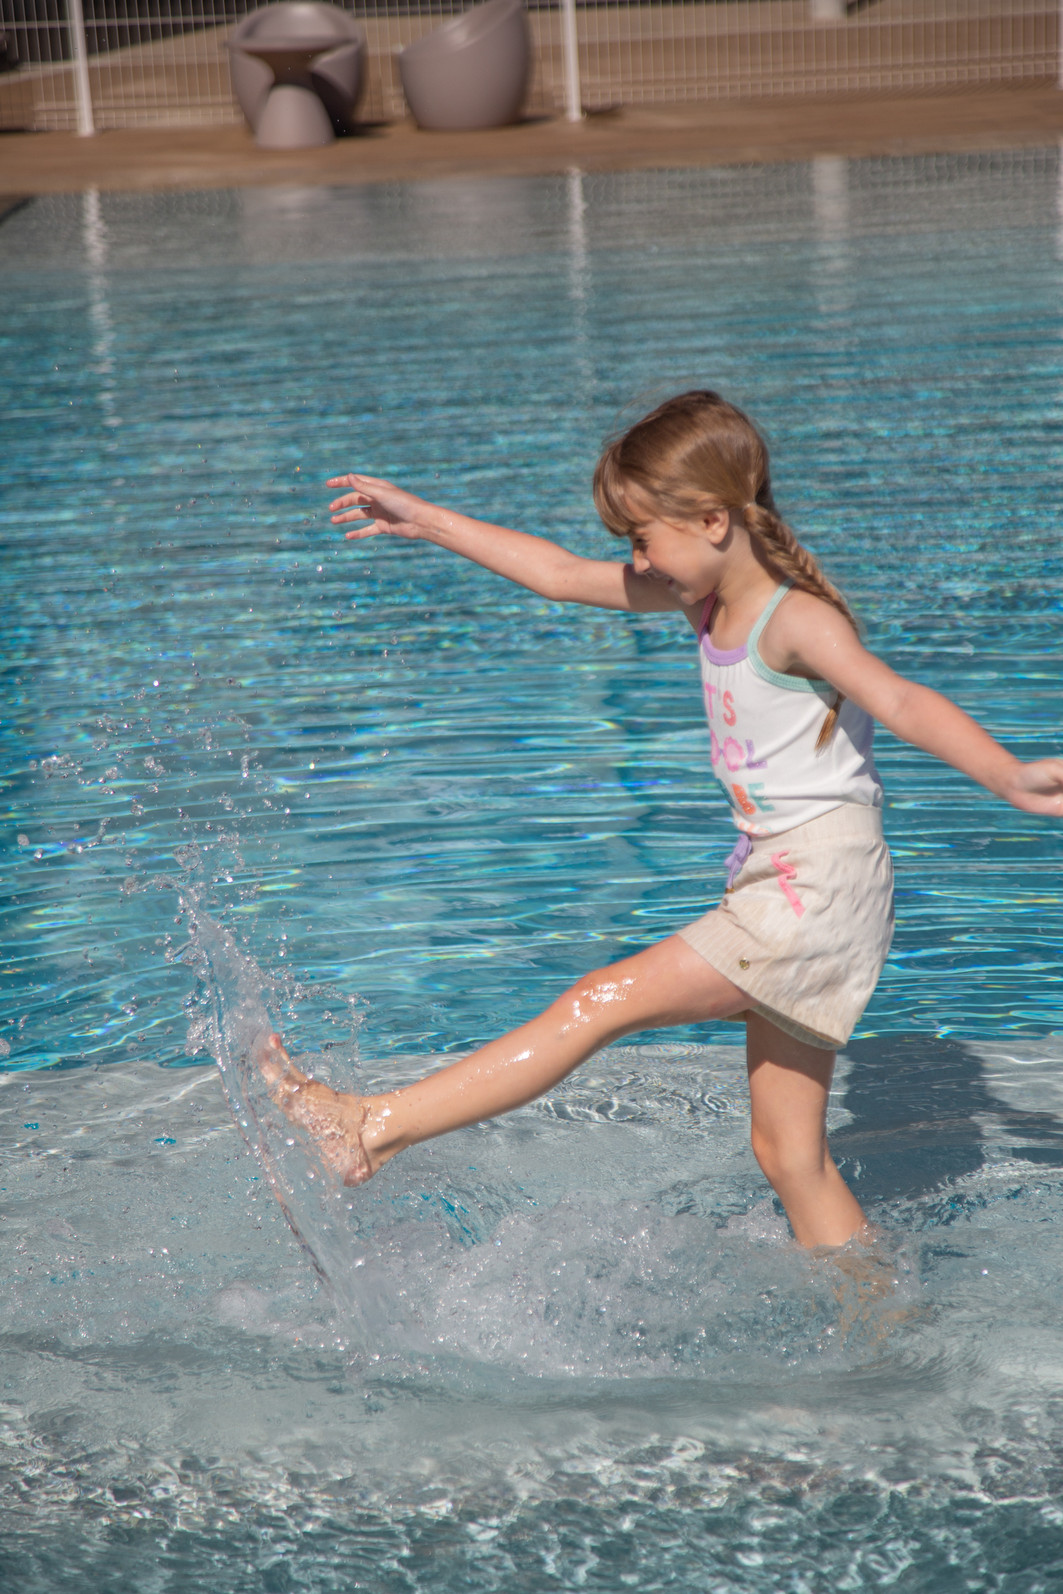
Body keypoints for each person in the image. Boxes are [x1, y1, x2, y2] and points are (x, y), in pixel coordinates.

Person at [253, 390, 1063, 1250]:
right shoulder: (703, 602)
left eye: (643, 537)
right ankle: (879, 1329)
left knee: (596, 1001)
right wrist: (427, 520)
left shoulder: (796, 621)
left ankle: (370, 1127)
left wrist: (1006, 775)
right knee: (789, 1157)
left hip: (813, 887)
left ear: (713, 520)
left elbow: (897, 696)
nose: (636, 559)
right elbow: (560, 575)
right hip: (801, 884)